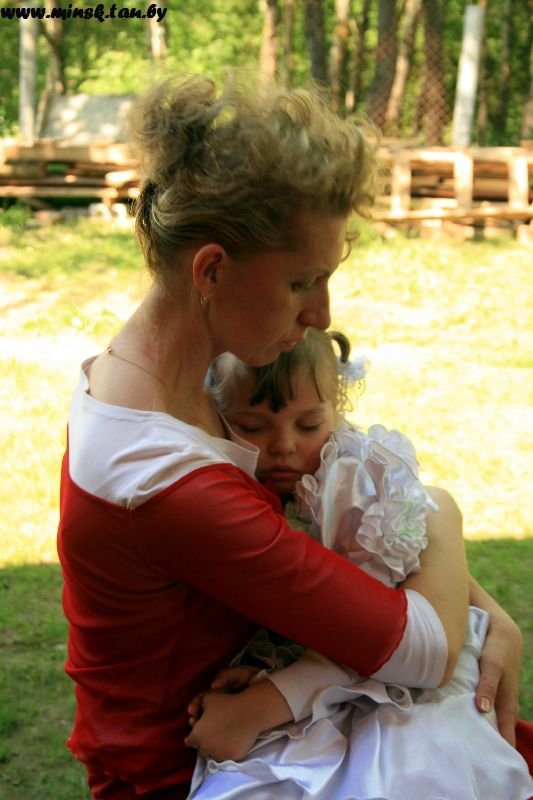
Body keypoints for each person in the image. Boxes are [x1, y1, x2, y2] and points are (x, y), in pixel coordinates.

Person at [56, 74, 526, 800]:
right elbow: (422, 649)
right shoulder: (163, 479)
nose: (321, 316)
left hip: (277, 735)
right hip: (196, 773)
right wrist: (440, 511)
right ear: (212, 270)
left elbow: (333, 527)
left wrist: (486, 611)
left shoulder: (170, 376)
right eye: (303, 281)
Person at [186, 329, 533, 799]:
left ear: (338, 407)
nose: (284, 445)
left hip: (397, 685)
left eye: (309, 424)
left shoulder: (352, 488)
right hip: (329, 678)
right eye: (251, 426)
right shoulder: (228, 486)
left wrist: (263, 705)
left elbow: (385, 636)